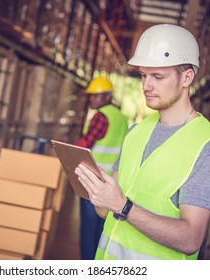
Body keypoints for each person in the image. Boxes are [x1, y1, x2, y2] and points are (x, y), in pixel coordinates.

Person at [75, 24, 210, 260]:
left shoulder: (206, 147)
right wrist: (99, 192)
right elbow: (106, 211)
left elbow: (191, 238)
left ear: (187, 77)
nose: (146, 86)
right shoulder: (136, 133)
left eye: (158, 77)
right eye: (143, 75)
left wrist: (123, 206)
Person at [75, 76, 128, 260]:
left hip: (92, 180)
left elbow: (85, 143)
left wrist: (67, 151)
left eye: (96, 96)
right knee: (102, 227)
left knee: (88, 228)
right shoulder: (121, 117)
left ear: (107, 96)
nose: (92, 100)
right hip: (111, 181)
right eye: (91, 96)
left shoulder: (101, 116)